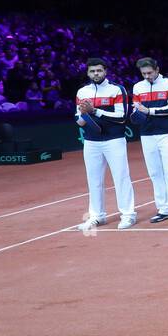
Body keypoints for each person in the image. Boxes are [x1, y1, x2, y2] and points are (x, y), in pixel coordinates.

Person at [74, 57, 137, 231]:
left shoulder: (116, 90)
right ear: (87, 73)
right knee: (93, 179)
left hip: (114, 140)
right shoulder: (82, 92)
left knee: (121, 177)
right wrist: (83, 115)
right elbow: (78, 118)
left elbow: (122, 116)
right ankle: (96, 216)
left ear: (105, 71)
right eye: (92, 71)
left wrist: (95, 111)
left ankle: (128, 215)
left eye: (99, 70)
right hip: (91, 141)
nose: (96, 74)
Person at [131, 57, 168, 225]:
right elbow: (137, 109)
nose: (147, 76)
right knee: (154, 173)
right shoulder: (138, 87)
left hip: (167, 133)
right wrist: (138, 113)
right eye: (144, 73)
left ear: (157, 69)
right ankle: (163, 209)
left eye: (150, 73)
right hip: (146, 134)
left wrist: (149, 110)